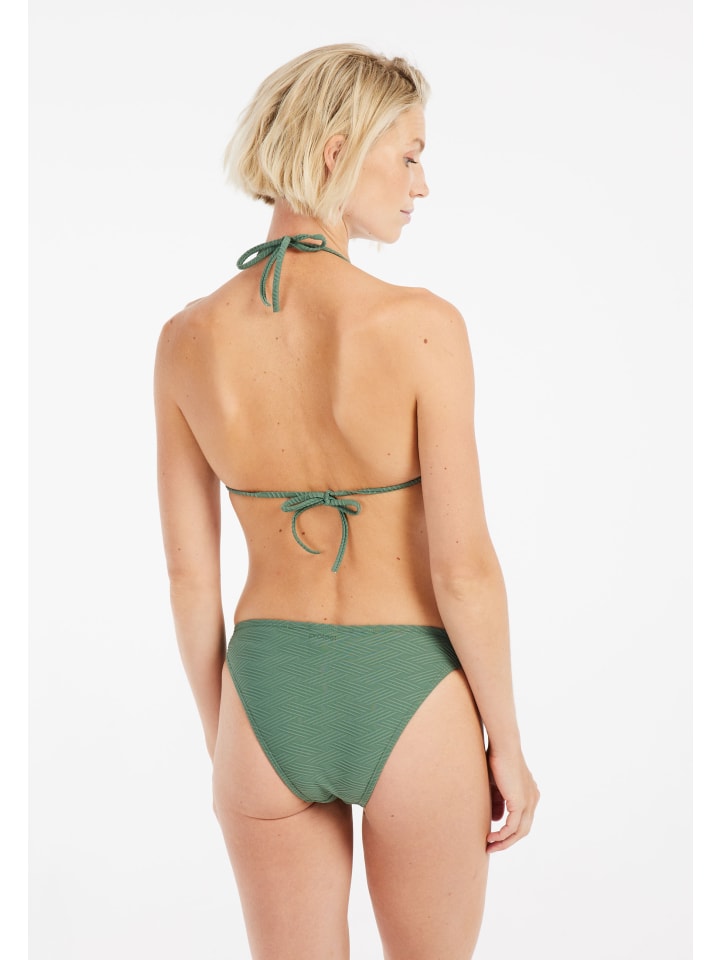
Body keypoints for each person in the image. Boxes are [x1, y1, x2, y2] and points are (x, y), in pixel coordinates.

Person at [154, 43, 539, 960]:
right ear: (337, 151)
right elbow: (464, 570)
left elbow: (188, 576)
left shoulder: (185, 339)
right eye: (409, 155)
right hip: (410, 687)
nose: (421, 184)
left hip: (264, 690)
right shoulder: (420, 326)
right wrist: (509, 745)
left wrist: (228, 735)